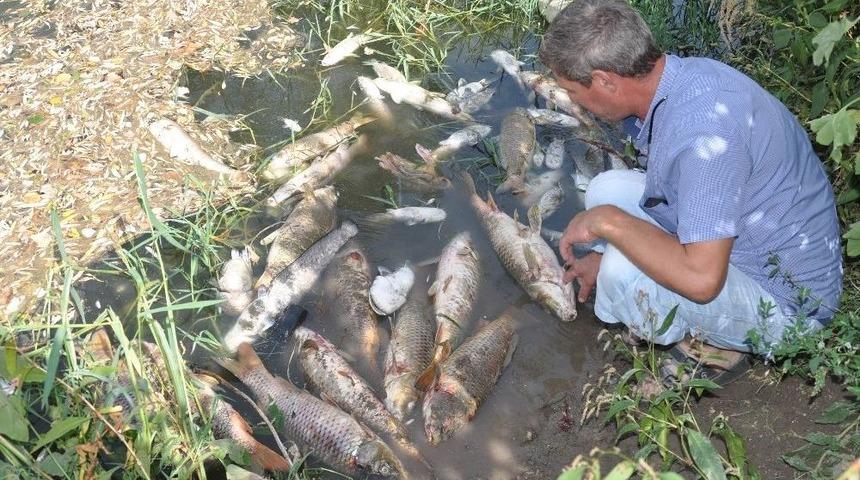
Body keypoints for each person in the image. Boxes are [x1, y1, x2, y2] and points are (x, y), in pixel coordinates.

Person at [539, 0, 843, 383]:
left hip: (790, 306)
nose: (573, 102)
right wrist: (608, 233)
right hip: (751, 240)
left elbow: (702, 281)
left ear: (605, 81)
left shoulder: (704, 137)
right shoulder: (685, 79)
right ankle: (655, 285)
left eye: (572, 91)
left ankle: (721, 345)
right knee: (606, 188)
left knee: (624, 274)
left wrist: (612, 226)